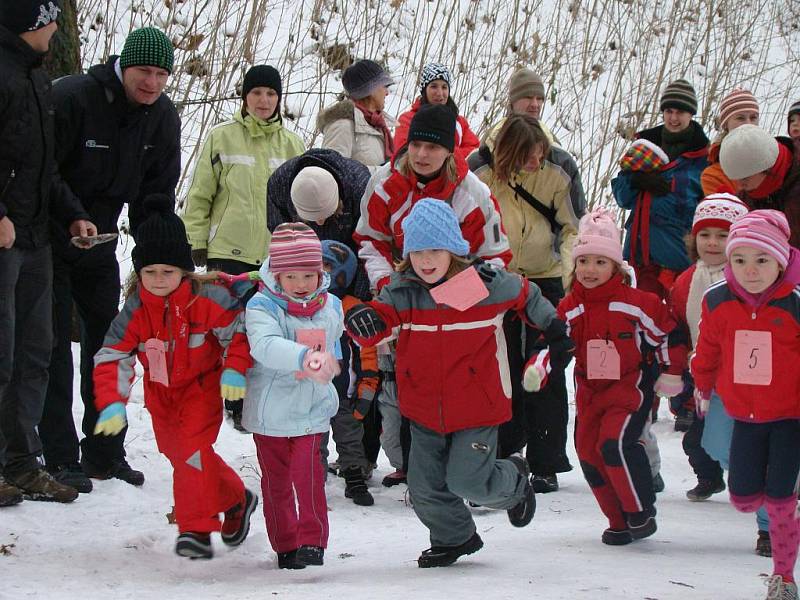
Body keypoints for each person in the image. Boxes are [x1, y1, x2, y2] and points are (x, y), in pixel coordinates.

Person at [344, 199, 573, 567]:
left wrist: (552, 326)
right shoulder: (402, 292)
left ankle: (513, 483)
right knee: (423, 488)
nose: (426, 259)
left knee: (467, 480)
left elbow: (525, 294)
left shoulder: (480, 286)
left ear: (454, 249)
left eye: (435, 249)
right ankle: (455, 538)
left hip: (476, 407)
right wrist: (363, 319)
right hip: (423, 408)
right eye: (417, 251)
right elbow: (381, 320)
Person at [39, 26, 182, 493]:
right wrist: (73, 216)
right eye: (145, 71)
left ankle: (104, 451)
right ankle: (59, 456)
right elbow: (43, 170)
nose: (153, 83)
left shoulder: (161, 116)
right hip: (48, 236)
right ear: (124, 65)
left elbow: (156, 194)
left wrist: (157, 257)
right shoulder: (74, 97)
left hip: (101, 241)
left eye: (162, 74)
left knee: (110, 348)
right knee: (54, 346)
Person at [353, 104, 511, 486]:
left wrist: (457, 298)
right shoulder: (384, 182)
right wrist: (389, 286)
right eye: (416, 145)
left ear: (450, 150)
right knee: (405, 383)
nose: (422, 155)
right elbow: (370, 242)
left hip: (462, 306)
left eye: (433, 147)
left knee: (465, 386)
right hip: (403, 295)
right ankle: (416, 468)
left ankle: (478, 470)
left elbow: (496, 259)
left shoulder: (472, 193)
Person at [93, 194, 256, 560]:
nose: (158, 279)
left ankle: (195, 528)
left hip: (202, 388)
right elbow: (112, 356)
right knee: (178, 453)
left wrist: (234, 368)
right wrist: (111, 403)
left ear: (184, 270)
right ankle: (236, 499)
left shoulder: (207, 298)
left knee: (193, 452)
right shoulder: (136, 309)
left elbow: (239, 333)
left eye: (167, 271)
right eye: (149, 272)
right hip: (161, 395)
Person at [0, 0, 97, 505]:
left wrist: (73, 212)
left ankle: (22, 462)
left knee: (37, 352)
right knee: (2, 354)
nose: (57, 31)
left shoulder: (37, 79)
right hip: (4, 236)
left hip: (36, 236)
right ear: (31, 26)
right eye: (49, 23)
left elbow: (44, 167)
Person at [547, 208, 686, 545]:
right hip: (589, 392)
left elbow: (667, 335)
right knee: (588, 451)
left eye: (599, 262)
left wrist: (672, 371)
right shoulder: (570, 307)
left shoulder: (638, 303)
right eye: (583, 261)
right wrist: (541, 364)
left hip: (628, 389)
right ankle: (618, 520)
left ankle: (640, 511)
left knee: (614, 443)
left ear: (616, 267)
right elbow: (554, 342)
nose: (589, 270)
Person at [182, 64, 304, 430]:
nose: (264, 100)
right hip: (228, 250)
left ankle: (259, 396)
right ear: (245, 97)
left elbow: (300, 203)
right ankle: (227, 395)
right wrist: (196, 242)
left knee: (265, 327)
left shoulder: (293, 144)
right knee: (227, 328)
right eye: (256, 93)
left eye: (270, 94)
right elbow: (201, 194)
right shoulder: (221, 138)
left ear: (279, 99)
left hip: (275, 256)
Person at [469, 113, 581, 491]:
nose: (535, 164)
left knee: (544, 366)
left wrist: (570, 279)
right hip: (496, 279)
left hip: (546, 275)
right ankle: (504, 448)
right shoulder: (478, 172)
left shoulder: (559, 168)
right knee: (500, 367)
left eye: (539, 156)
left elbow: (572, 227)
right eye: (527, 157)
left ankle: (546, 460)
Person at [692, 210, 800, 599]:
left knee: (779, 499)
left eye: (761, 261)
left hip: (791, 416)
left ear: (781, 260)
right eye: (740, 260)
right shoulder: (718, 300)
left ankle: (783, 578)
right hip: (746, 414)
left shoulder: (795, 303)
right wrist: (702, 385)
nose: (750, 271)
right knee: (742, 497)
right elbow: (707, 350)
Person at [243, 223, 343, 570]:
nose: (301, 285)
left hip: (312, 409)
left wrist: (336, 365)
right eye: (291, 277)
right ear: (276, 275)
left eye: (308, 275)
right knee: (277, 482)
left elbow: (336, 343)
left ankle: (312, 541)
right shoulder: (262, 306)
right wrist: (304, 357)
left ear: (320, 273)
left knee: (309, 475)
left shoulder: (331, 305)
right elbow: (264, 345)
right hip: (271, 412)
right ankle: (285, 543)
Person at [667, 194, 748, 502]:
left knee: (740, 437)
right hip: (701, 374)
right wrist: (676, 367)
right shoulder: (687, 281)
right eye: (705, 234)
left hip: (740, 376)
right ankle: (710, 478)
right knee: (697, 441)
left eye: (722, 235)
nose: (712, 243)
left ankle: (759, 482)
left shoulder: (745, 278)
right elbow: (676, 324)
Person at [612, 78, 709, 299]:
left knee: (680, 325)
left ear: (691, 114)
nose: (674, 118)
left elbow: (704, 211)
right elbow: (622, 198)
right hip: (639, 258)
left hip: (679, 259)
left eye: (680, 112)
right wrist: (635, 181)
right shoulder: (644, 146)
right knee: (641, 321)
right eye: (669, 111)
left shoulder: (703, 158)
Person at [267, 148, 371, 300]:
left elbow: (368, 246)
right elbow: (284, 244)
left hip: (350, 268)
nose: (319, 223)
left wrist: (360, 297)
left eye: (326, 214)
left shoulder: (360, 185)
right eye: (311, 218)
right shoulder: (279, 185)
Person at [320, 240, 379, 505]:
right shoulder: (300, 303)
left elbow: (366, 349)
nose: (320, 272)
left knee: (350, 438)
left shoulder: (350, 307)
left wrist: (367, 387)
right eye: (314, 265)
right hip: (310, 393)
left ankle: (354, 477)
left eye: (327, 266)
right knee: (312, 442)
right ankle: (312, 479)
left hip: (344, 392)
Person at [719, 124, 800, 246]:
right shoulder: (745, 199)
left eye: (744, 178)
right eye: (735, 179)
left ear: (767, 167)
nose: (740, 186)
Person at [317, 59, 396, 172]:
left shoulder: (376, 124)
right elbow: (332, 172)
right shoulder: (342, 126)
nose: (387, 92)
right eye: (384, 86)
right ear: (371, 89)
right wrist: (383, 172)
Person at [394, 62, 479, 158]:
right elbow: (403, 152)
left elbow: (474, 150)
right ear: (424, 90)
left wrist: (445, 156)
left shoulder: (459, 122)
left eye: (444, 87)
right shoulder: (408, 119)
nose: (440, 93)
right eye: (434, 86)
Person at [701, 89, 760, 195]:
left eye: (753, 118)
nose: (748, 124)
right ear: (726, 125)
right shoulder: (713, 175)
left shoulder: (774, 160)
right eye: (740, 118)